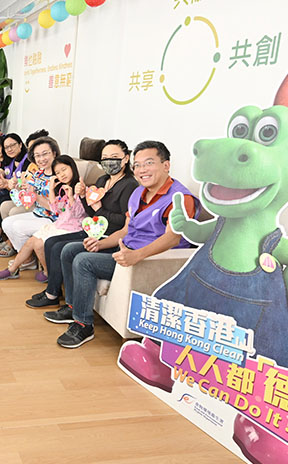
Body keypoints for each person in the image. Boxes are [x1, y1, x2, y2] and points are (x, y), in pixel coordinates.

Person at [43, 140, 199, 349]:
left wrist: (137, 255)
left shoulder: (180, 198)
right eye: (139, 165)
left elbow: (173, 238)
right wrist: (101, 243)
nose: (142, 170)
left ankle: (83, 324)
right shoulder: (139, 193)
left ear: (166, 165)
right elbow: (126, 229)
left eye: (149, 163)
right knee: (71, 249)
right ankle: (72, 306)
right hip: (125, 247)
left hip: (147, 259)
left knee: (83, 261)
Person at [28, 139, 138, 310]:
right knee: (51, 243)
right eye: (105, 158)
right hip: (94, 229)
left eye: (114, 157)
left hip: (109, 236)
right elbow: (92, 212)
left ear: (126, 158)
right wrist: (82, 196)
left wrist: (99, 209)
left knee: (62, 248)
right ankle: (53, 292)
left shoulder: (129, 185)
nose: (110, 161)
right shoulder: (102, 180)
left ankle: (67, 303)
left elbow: (123, 222)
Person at [0, 155, 81, 280]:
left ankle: (47, 273)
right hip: (59, 223)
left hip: (70, 227)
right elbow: (55, 208)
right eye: (57, 172)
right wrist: (51, 190)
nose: (62, 174)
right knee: (31, 241)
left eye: (64, 169)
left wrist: (72, 196)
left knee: (38, 243)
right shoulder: (60, 189)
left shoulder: (79, 188)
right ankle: (13, 269)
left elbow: (76, 213)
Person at [0, 136, 60, 258]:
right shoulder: (38, 173)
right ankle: (26, 257)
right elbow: (27, 195)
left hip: (53, 218)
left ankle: (25, 259)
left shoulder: (59, 175)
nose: (41, 159)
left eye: (45, 154)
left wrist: (35, 196)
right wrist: (17, 186)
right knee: (6, 223)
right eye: (37, 156)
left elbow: (56, 209)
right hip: (38, 213)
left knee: (17, 226)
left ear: (54, 153)